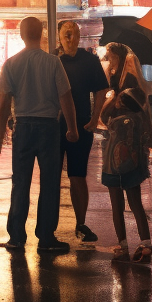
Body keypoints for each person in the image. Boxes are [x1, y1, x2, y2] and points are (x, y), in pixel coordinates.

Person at [0, 16, 77, 254]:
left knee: (20, 182)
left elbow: (3, 103)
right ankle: (46, 236)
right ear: (42, 34)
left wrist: (0, 133)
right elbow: (66, 97)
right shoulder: (53, 62)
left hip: (23, 126)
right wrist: (72, 128)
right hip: (49, 127)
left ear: (21, 35)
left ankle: (17, 237)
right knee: (50, 182)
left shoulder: (11, 63)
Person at [57, 19, 108, 244]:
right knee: (52, 176)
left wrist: (95, 118)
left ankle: (81, 222)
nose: (70, 37)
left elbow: (101, 90)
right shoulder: (53, 60)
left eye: (73, 33)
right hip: (55, 125)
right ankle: (50, 225)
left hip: (82, 123)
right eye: (65, 33)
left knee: (78, 175)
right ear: (59, 35)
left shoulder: (89, 60)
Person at [99, 86, 152, 261]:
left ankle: (123, 245)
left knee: (117, 206)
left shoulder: (116, 120)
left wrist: (111, 97)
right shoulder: (139, 118)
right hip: (133, 166)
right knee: (136, 204)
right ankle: (146, 243)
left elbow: (102, 115)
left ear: (122, 101)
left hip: (112, 167)